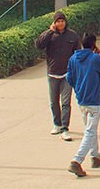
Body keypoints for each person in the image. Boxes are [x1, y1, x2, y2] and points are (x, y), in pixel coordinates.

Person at [66, 33, 100, 177]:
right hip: (94, 100)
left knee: (90, 129)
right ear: (93, 44)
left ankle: (95, 156)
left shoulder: (73, 59)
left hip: (82, 99)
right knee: (90, 131)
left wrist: (78, 89)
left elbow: (69, 78)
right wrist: (98, 55)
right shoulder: (95, 58)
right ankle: (76, 160)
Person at [35, 11, 81, 141]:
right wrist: (50, 32)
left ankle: (65, 128)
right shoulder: (50, 35)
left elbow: (78, 53)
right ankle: (57, 124)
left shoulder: (72, 35)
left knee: (66, 102)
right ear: (54, 23)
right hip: (52, 73)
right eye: (58, 21)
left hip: (68, 74)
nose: (60, 23)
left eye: (62, 21)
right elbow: (39, 45)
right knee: (54, 101)